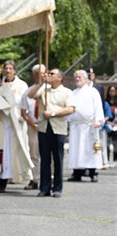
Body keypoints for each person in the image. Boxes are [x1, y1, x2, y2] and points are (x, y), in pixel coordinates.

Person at [27, 68, 75, 198]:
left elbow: (71, 109)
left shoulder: (67, 92)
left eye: (52, 74)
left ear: (60, 78)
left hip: (58, 128)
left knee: (58, 159)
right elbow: (29, 95)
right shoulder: (43, 89)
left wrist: (53, 113)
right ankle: (44, 188)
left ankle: (57, 188)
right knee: (45, 159)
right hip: (43, 127)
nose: (49, 75)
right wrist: (40, 83)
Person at [67, 70, 104, 182]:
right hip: (76, 126)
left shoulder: (93, 92)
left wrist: (98, 120)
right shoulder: (73, 93)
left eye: (79, 77)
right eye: (76, 77)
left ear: (85, 78)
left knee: (90, 149)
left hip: (89, 126)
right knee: (76, 150)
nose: (77, 79)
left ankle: (93, 172)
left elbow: (98, 106)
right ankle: (77, 172)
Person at [20, 64, 47, 190]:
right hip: (33, 126)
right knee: (34, 154)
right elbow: (23, 112)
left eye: (43, 73)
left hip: (46, 124)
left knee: (47, 154)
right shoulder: (28, 92)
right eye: (38, 73)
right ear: (34, 75)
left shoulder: (49, 89)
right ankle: (35, 178)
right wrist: (33, 124)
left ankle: (48, 178)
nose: (41, 75)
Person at [2, 60, 29, 183]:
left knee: (20, 147)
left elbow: (24, 101)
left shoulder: (22, 85)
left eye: (10, 68)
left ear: (15, 71)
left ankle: (20, 174)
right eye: (6, 68)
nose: (8, 71)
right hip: (3, 122)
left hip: (17, 120)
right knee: (5, 149)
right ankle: (5, 174)